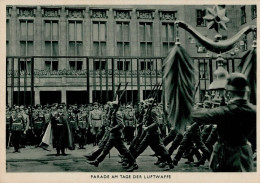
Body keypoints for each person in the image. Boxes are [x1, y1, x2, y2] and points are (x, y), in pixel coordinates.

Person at [192, 73, 256, 172]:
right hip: (244, 152)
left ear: (229, 92)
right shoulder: (254, 110)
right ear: (246, 91)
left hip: (226, 154)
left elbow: (199, 115)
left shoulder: (226, 111)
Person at [87, 101, 138, 172]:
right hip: (113, 135)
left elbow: (121, 124)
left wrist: (112, 129)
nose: (109, 107)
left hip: (116, 136)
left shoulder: (117, 113)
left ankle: (134, 164)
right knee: (106, 149)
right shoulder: (113, 112)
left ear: (114, 106)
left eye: (110, 106)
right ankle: (97, 161)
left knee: (125, 151)